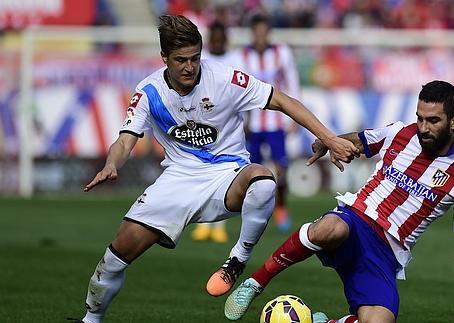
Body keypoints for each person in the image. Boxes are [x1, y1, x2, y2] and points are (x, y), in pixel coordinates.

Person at [71, 15, 358, 323]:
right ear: (164, 58)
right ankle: (91, 319)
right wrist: (112, 164)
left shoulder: (225, 79)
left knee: (263, 181)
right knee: (116, 257)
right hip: (177, 181)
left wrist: (328, 137)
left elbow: (283, 101)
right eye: (180, 60)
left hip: (227, 175)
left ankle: (237, 261)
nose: (189, 67)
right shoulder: (148, 92)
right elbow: (126, 140)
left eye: (195, 58)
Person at [225, 80, 454, 323]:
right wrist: (330, 142)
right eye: (420, 118)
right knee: (328, 228)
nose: (423, 128)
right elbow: (360, 140)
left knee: (380, 320)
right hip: (356, 219)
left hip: (387, 252)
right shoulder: (400, 133)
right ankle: (255, 283)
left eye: (433, 120)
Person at [241, 13, 301, 232]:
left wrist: (294, 115)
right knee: (252, 170)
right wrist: (243, 118)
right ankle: (255, 212)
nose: (260, 35)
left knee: (281, 167)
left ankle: (282, 207)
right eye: (256, 31)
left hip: (276, 122)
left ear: (268, 33)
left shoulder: (281, 52)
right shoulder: (243, 56)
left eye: (263, 31)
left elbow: (291, 82)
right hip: (253, 124)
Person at [190, 20, 243, 244]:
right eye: (214, 38)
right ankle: (205, 224)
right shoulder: (200, 60)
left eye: (221, 38)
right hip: (204, 123)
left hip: (228, 124)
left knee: (225, 173)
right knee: (202, 172)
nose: (218, 42)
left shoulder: (235, 60)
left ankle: (219, 225)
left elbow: (242, 93)